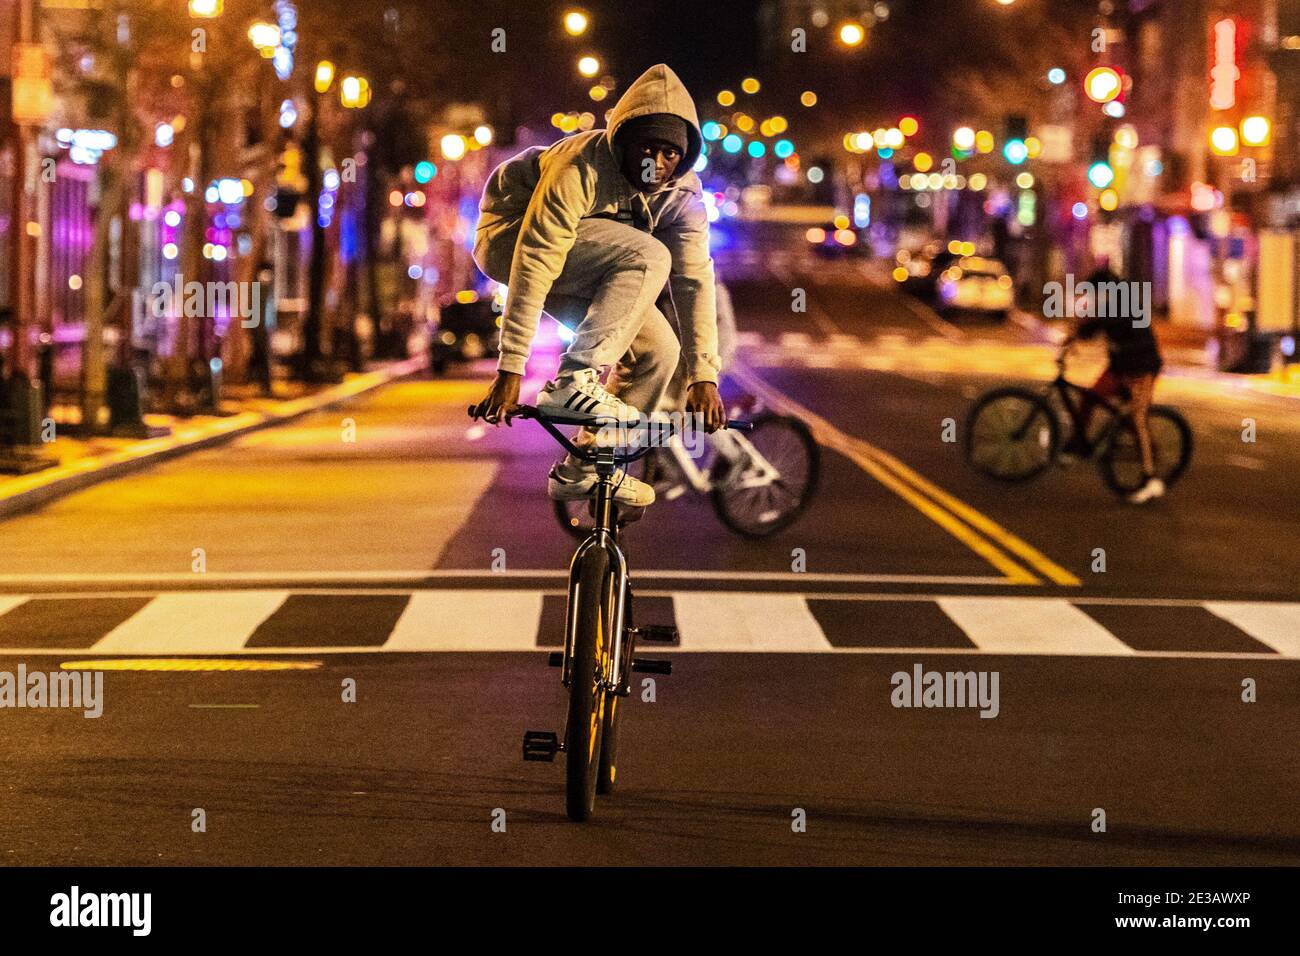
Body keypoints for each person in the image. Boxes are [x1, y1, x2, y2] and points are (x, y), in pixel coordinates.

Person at [469, 64, 725, 508]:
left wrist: (703, 373)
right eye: (647, 148)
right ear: (623, 141)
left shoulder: (683, 196)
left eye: (670, 154)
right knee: (650, 254)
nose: (657, 164)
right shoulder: (579, 165)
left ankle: (589, 462)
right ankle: (573, 381)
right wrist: (511, 366)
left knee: (658, 353)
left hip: (586, 261)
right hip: (510, 237)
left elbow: (695, 281)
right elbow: (536, 258)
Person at [1065, 258, 1165, 504]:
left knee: (1137, 418)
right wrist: (1073, 338)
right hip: (1119, 367)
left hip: (1142, 369)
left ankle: (1149, 477)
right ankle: (1078, 443)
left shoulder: (1127, 305)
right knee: (1090, 396)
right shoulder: (1107, 306)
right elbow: (1091, 330)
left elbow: (1121, 332)